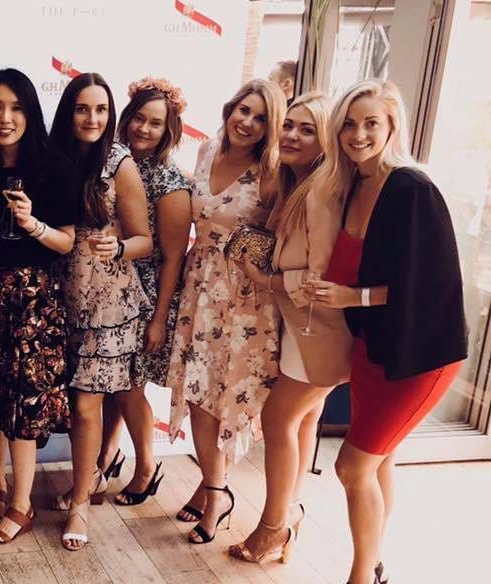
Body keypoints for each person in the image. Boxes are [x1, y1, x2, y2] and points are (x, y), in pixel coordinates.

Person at [306, 79, 466, 584]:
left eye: (371, 123)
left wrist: (352, 298)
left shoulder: (412, 189)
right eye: (349, 125)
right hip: (372, 348)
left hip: (419, 356)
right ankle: (374, 562)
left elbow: (427, 288)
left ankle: (361, 576)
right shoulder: (352, 185)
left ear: (392, 126)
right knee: (379, 461)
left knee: (352, 466)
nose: (358, 134)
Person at [229, 91, 352, 564]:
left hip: (321, 331)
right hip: (302, 327)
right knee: (302, 420)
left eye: (308, 130)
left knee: (278, 419)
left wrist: (267, 279)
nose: (293, 136)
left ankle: (271, 529)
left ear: (326, 141)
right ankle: (290, 512)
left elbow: (323, 278)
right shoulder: (295, 184)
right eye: (290, 125)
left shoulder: (320, 192)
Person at [0, 68, 74, 544]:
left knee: (25, 405)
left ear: (30, 113)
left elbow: (67, 242)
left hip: (34, 300)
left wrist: (32, 224)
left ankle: (23, 505)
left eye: (16, 108)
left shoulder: (53, 167)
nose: (5, 117)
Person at [165, 79, 286, 545]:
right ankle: (213, 487)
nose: (247, 122)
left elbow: (284, 236)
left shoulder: (271, 172)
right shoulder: (207, 149)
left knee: (227, 397)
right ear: (230, 108)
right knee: (198, 393)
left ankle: (215, 495)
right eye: (243, 110)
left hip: (244, 300)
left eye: (260, 118)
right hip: (199, 287)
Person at [49, 72, 152, 551]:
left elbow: (145, 240)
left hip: (108, 305)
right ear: (68, 112)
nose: (92, 118)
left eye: (101, 109)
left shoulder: (120, 163)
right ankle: (87, 479)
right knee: (72, 403)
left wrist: (120, 247)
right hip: (57, 298)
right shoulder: (52, 158)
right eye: (82, 108)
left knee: (87, 405)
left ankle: (80, 504)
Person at [99, 77, 193, 506]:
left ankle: (147, 468)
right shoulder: (112, 161)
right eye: (139, 118)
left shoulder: (169, 180)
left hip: (145, 297)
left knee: (129, 386)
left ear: (169, 130)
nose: (144, 128)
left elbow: (173, 257)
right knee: (112, 383)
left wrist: (158, 320)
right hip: (106, 291)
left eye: (156, 123)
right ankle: (106, 456)